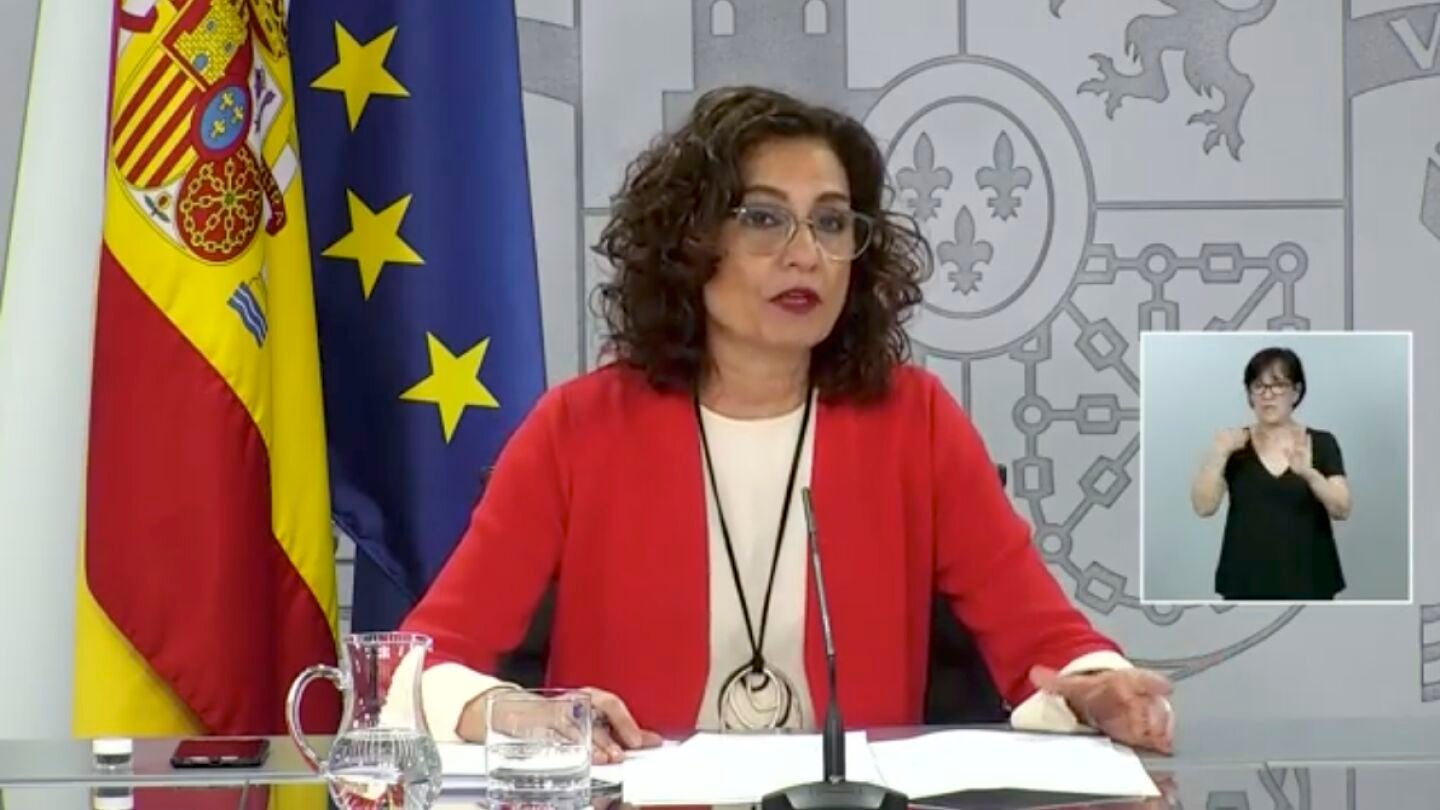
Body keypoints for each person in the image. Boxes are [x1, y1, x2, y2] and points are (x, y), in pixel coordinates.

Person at [400, 85, 1174, 761]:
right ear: (692, 242)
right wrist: (506, 711)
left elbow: (1046, 644)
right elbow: (421, 663)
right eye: (765, 218)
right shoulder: (580, 427)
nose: (806, 254)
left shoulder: (915, 421)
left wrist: (1097, 689)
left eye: (831, 223)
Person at [1190, 347, 1352, 600]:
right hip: (1245, 579)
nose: (1268, 395)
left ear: (1296, 391)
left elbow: (1342, 509)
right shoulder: (1233, 443)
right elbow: (1203, 507)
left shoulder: (1321, 442)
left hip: (1310, 576)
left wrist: (1309, 474)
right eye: (1259, 386)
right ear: (1250, 394)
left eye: (1278, 385)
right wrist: (1219, 455)